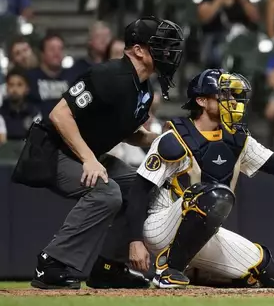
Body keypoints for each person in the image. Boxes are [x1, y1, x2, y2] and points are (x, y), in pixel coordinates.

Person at [125, 69, 274, 288]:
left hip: (201, 233)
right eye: (224, 95)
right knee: (214, 194)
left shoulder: (237, 139)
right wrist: (136, 241)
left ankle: (197, 272)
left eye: (232, 95)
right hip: (162, 227)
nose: (232, 100)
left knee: (267, 274)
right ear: (201, 101)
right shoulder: (174, 137)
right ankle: (168, 270)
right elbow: (139, 190)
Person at [12, 16, 184, 290]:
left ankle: (107, 267)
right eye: (161, 45)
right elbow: (60, 114)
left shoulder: (144, 89)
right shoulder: (108, 75)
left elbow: (127, 131)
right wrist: (89, 159)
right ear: (138, 49)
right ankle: (51, 263)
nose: (168, 52)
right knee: (106, 192)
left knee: (143, 186)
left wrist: (156, 138)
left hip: (85, 152)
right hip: (53, 149)